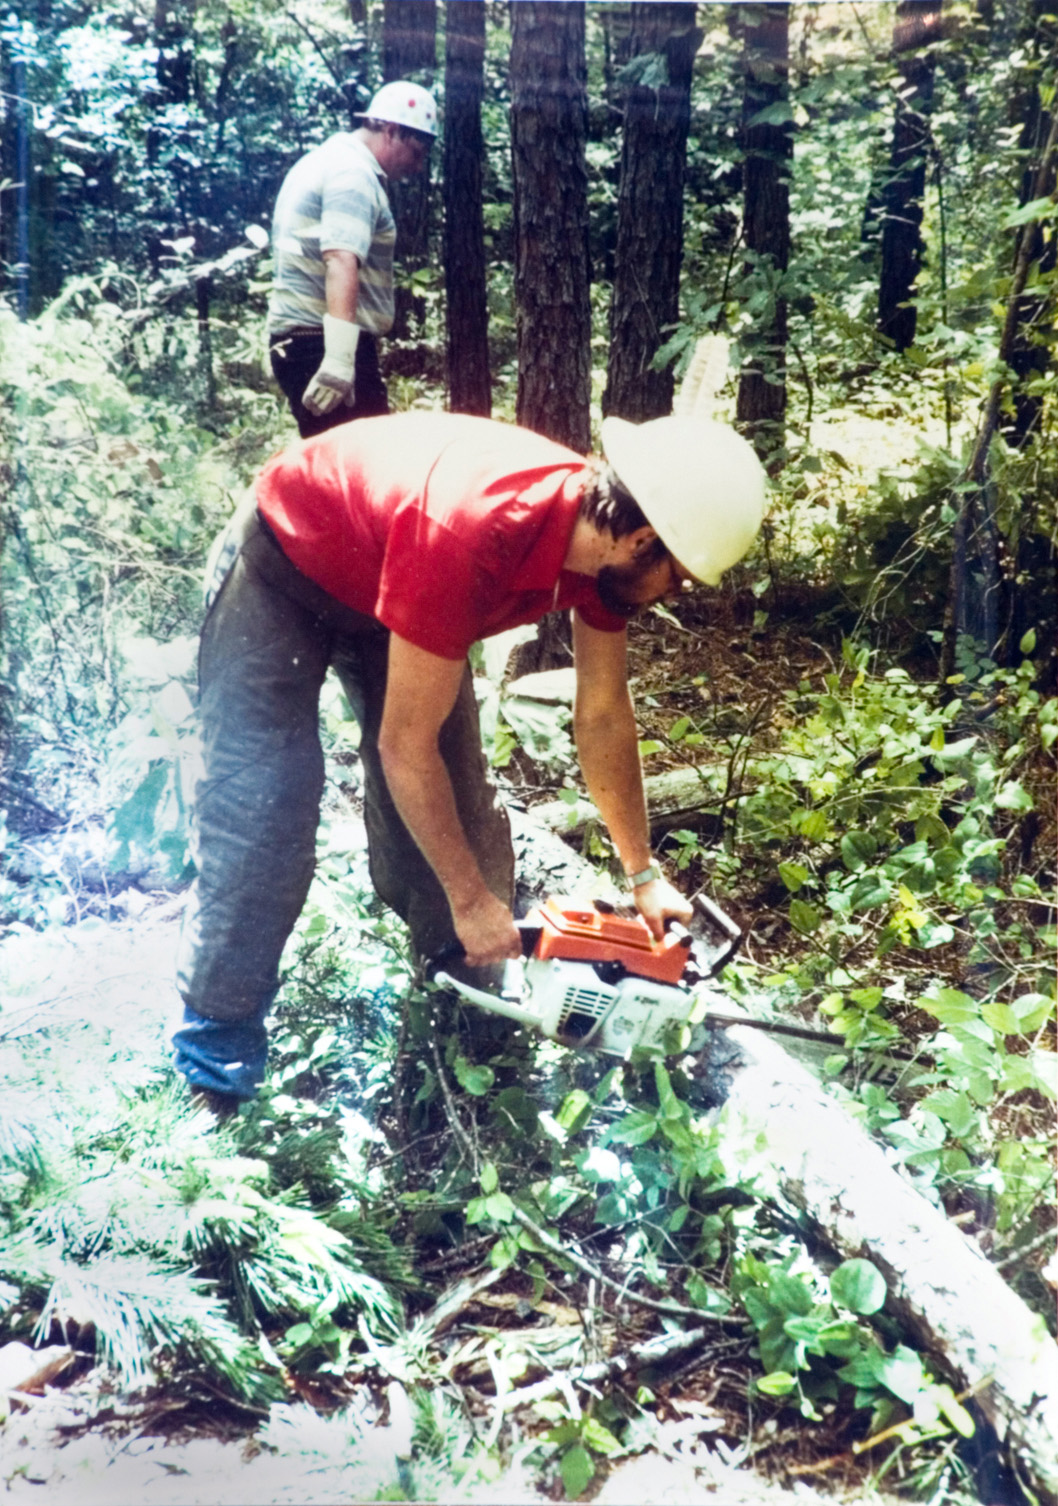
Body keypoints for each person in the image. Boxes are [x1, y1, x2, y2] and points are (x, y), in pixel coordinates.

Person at [172, 409, 767, 1109]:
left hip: (403, 591)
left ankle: (464, 1029)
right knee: (263, 813)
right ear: (642, 539)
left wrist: (643, 876)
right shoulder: (472, 530)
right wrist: (470, 900)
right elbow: (404, 746)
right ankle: (216, 1065)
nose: (675, 594)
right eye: (678, 578)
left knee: (462, 822)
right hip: (290, 562)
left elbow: (602, 712)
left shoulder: (601, 559)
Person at [267, 81, 437, 439]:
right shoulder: (353, 175)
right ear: (391, 131)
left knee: (340, 474)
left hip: (308, 341)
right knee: (359, 478)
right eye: (418, 152)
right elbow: (341, 259)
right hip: (323, 343)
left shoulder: (324, 161)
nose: (419, 167)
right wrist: (340, 360)